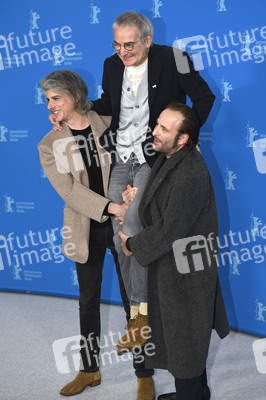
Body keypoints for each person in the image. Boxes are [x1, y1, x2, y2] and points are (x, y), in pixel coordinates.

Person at [49, 11, 216, 399]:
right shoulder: (111, 65)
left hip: (152, 156)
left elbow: (205, 98)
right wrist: (69, 111)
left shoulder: (175, 58)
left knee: (136, 226)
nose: (123, 52)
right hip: (121, 157)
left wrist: (180, 140)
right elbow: (109, 104)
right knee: (123, 233)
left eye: (130, 44)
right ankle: (134, 325)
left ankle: (139, 319)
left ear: (148, 38)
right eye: (117, 44)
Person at [119, 102, 230, 400]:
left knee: (186, 346)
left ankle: (191, 396)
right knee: (189, 340)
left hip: (186, 274)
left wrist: (131, 244)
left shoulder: (189, 171)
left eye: (164, 129)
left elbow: (170, 229)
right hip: (175, 267)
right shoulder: (173, 156)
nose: (155, 132)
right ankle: (197, 394)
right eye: (157, 124)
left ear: (183, 138)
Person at [38, 70, 131, 397]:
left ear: (75, 96)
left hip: (124, 227)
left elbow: (133, 160)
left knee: (132, 301)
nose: (50, 105)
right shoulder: (49, 144)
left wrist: (128, 200)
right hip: (86, 227)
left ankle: (144, 374)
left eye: (56, 98)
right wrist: (111, 208)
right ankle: (89, 370)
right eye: (47, 99)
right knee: (88, 303)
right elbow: (69, 191)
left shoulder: (109, 121)